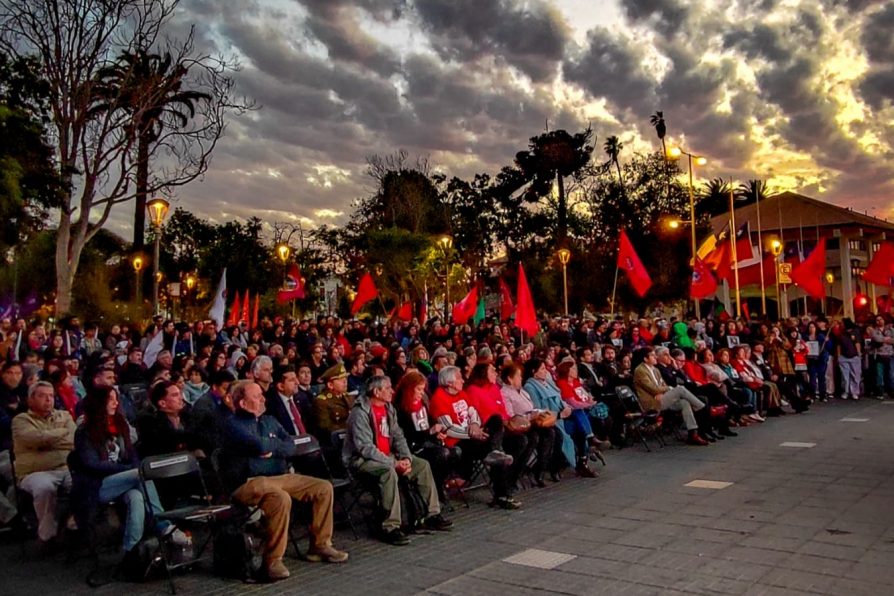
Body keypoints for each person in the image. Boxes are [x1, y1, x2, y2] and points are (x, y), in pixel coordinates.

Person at [220, 380, 348, 581]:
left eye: (262, 394)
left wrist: (270, 448)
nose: (263, 399)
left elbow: (291, 445)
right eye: (256, 396)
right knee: (279, 498)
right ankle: (272, 560)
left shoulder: (270, 420)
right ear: (242, 404)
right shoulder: (231, 425)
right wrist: (271, 447)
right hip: (248, 482)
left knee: (323, 487)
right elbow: (257, 445)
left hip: (280, 477)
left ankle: (320, 545)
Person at [69, 386, 178, 557]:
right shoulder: (85, 432)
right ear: (99, 403)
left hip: (124, 480)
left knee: (136, 497)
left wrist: (132, 467)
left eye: (116, 398)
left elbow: (132, 455)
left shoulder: (120, 425)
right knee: (141, 473)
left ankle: (131, 551)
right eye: (110, 399)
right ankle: (164, 525)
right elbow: (93, 464)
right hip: (96, 485)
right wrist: (129, 469)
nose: (115, 402)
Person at [343, 375, 452, 546]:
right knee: (388, 473)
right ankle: (390, 526)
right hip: (363, 460)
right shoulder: (360, 413)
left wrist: (406, 458)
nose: (392, 391)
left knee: (421, 465)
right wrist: (393, 463)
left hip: (389, 455)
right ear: (376, 391)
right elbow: (365, 448)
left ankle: (431, 513)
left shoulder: (388, 409)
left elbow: (399, 437)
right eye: (387, 388)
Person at [429, 366, 518, 509]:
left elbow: (473, 412)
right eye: (459, 378)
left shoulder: (461, 393)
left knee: (496, 420)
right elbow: (448, 429)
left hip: (473, 434)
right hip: (458, 441)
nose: (463, 380)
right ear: (449, 382)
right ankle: (502, 495)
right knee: (494, 453)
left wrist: (475, 425)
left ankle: (495, 450)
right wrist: (472, 433)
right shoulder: (439, 399)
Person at [11, 381, 76, 546]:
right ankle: (47, 536)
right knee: (44, 487)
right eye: (42, 396)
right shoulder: (20, 420)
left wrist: (48, 438)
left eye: (51, 396)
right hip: (35, 472)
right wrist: (62, 433)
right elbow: (35, 439)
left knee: (85, 482)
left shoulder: (64, 415)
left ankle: (73, 524)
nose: (48, 400)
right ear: (30, 400)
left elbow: (75, 438)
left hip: (66, 468)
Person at [394, 371, 460, 501]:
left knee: (456, 452)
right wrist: (430, 432)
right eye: (418, 389)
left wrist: (437, 431)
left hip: (429, 442)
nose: (421, 393)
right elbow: (409, 435)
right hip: (415, 446)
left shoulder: (422, 404)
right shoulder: (401, 410)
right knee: (442, 454)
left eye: (423, 389)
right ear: (409, 389)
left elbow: (430, 422)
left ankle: (439, 482)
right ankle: (435, 487)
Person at [500, 362, 561, 487]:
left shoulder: (522, 392)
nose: (521, 378)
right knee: (532, 438)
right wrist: (530, 416)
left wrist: (538, 413)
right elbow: (511, 415)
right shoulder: (505, 393)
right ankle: (516, 473)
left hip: (531, 422)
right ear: (510, 378)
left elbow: (531, 407)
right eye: (518, 376)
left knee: (552, 433)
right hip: (518, 425)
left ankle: (540, 469)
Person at [633, 347, 709, 446]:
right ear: (645, 359)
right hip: (651, 403)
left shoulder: (655, 369)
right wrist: (667, 389)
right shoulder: (640, 370)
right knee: (680, 389)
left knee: (684, 403)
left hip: (661, 398)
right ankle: (701, 407)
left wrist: (663, 390)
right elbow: (653, 389)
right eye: (652, 355)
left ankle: (692, 434)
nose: (655, 357)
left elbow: (662, 385)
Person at [312, 363, 354, 440]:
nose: (345, 382)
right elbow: (326, 428)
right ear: (330, 385)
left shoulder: (348, 396)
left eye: (345, 379)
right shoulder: (321, 402)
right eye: (341, 380)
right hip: (335, 442)